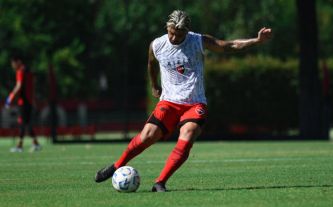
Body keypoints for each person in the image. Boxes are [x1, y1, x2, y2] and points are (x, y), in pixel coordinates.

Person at [95, 10, 272, 192]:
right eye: (171, 32)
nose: (174, 37)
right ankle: (117, 165)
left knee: (187, 136)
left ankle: (160, 182)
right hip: (169, 102)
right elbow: (151, 64)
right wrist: (154, 85)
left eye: (179, 34)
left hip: (195, 103)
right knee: (147, 136)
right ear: (167, 27)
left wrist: (256, 41)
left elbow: (229, 45)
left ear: (187, 32)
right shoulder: (157, 45)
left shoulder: (198, 41)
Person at [6, 55, 41, 152]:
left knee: (22, 123)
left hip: (24, 102)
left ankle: (19, 146)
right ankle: (35, 144)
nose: (13, 66)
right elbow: (32, 86)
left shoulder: (20, 71)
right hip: (29, 101)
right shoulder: (29, 71)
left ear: (18, 62)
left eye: (13, 63)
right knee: (27, 123)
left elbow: (19, 86)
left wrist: (10, 97)